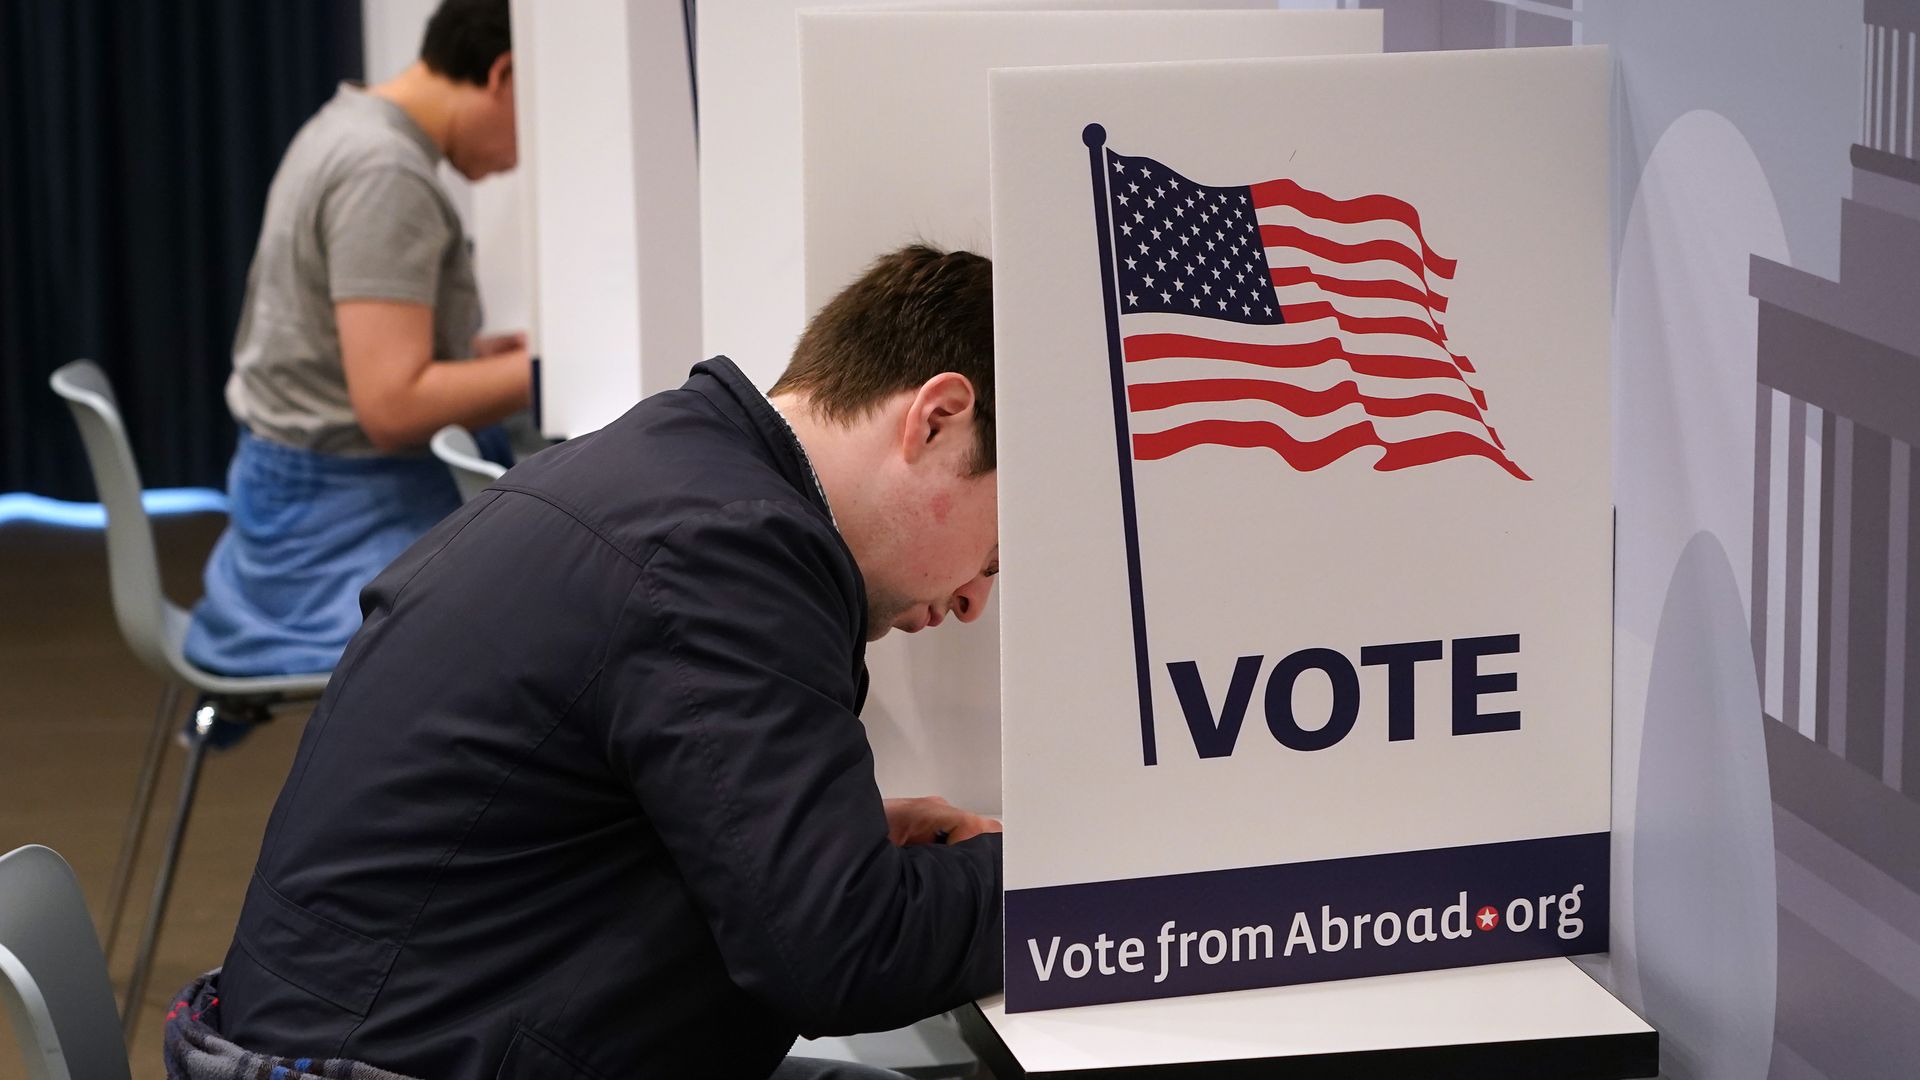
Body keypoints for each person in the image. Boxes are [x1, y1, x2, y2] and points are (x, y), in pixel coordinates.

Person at [185, 246, 1006, 1079]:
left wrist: (829, 844)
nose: (975, 596)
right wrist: (1070, 885)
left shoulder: (674, 470)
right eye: (996, 549)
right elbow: (848, 955)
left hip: (373, 1026)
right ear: (936, 417)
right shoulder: (730, 552)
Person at [186, 0, 530, 678]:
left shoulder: (347, 124)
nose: (523, 153)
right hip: (328, 530)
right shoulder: (385, 172)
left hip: (289, 504)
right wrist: (550, 368)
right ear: (502, 73)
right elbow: (391, 406)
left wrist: (480, 360)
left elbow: (342, 355)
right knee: (548, 624)